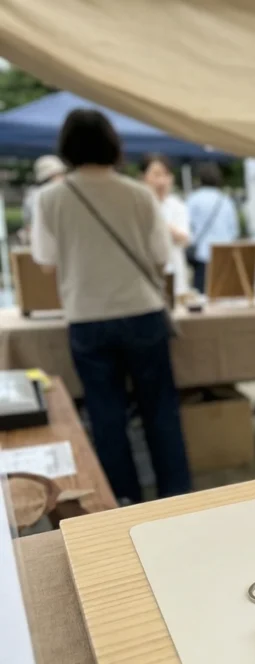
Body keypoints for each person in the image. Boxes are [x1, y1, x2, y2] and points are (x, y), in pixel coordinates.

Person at [31, 109, 192, 504]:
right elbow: (160, 254)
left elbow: (44, 259)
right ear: (113, 145)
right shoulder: (137, 193)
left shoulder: (49, 199)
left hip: (87, 317)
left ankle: (122, 499)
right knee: (160, 409)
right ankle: (176, 495)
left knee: (106, 415)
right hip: (142, 312)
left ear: (66, 148)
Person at [141, 153, 191, 298]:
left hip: (176, 278)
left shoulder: (177, 206)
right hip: (147, 280)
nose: (162, 181)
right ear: (143, 177)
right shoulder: (138, 206)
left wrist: (162, 225)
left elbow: (184, 238)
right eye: (156, 175)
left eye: (165, 175)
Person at [186, 162, 239, 292]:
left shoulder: (193, 199)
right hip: (224, 252)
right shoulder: (226, 200)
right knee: (222, 293)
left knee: (201, 294)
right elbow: (234, 230)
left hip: (202, 253)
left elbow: (187, 225)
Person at [21, 154, 66, 240]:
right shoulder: (36, 196)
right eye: (59, 175)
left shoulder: (33, 195)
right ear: (49, 177)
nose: (62, 178)